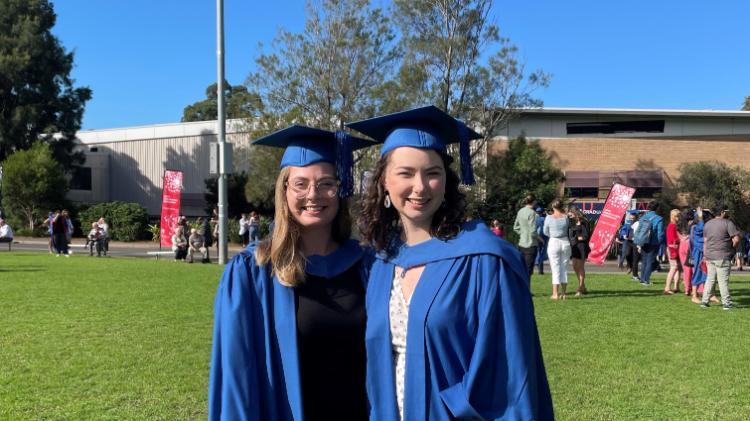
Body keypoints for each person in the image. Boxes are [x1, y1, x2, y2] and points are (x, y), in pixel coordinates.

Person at [348, 106, 553, 420]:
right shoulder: (378, 261)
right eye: (405, 173)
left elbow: (511, 373)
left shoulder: (484, 260)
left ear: (446, 182)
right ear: (384, 182)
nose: (420, 187)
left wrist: (453, 406)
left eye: (433, 173)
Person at [209, 125, 373, 420]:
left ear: (341, 190)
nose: (314, 194)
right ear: (284, 190)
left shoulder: (367, 265)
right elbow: (235, 374)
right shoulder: (252, 271)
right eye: (300, 184)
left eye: (327, 183)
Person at [700, 205, 740, 310]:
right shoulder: (728, 223)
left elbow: (705, 241)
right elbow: (736, 239)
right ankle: (726, 303)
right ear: (722, 212)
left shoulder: (707, 224)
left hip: (709, 255)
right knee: (723, 281)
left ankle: (704, 301)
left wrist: (705, 255)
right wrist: (732, 247)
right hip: (723, 255)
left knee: (710, 279)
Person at [544, 199, 570, 300]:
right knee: (564, 267)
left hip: (554, 241)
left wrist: (553, 234)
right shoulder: (565, 218)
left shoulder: (549, 218)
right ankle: (564, 293)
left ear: (553, 207)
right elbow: (567, 228)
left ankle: (555, 294)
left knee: (555, 268)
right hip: (565, 242)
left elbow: (545, 231)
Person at [636, 201, 665, 286]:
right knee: (650, 261)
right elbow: (660, 233)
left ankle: (642, 279)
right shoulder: (659, 219)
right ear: (657, 208)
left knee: (644, 261)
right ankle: (646, 280)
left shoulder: (643, 217)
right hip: (653, 242)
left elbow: (639, 230)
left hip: (643, 241)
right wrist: (660, 242)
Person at [514, 193, 540, 283]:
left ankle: (521, 289)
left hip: (521, 243)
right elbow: (533, 231)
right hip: (531, 244)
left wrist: (523, 233)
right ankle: (526, 290)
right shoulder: (532, 213)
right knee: (528, 270)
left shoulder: (520, 211)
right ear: (534, 201)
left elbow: (516, 227)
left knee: (521, 268)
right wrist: (540, 239)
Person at [567, 206, 590, 296]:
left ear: (575, 213)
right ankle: (583, 286)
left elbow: (586, 235)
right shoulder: (571, 222)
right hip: (574, 246)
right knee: (574, 266)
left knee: (580, 267)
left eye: (570, 213)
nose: (569, 214)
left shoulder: (584, 222)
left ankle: (580, 288)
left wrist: (578, 238)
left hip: (581, 246)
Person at [677, 207, 695, 297]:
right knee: (692, 268)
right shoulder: (692, 223)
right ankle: (691, 288)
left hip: (682, 245)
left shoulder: (679, 222)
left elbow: (678, 234)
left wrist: (682, 238)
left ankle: (687, 289)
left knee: (685, 269)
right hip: (690, 245)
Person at [663, 209, 682, 294]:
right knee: (674, 268)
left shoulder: (675, 225)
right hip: (673, 249)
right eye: (678, 216)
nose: (679, 218)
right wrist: (681, 239)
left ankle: (676, 287)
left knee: (678, 268)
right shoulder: (671, 226)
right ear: (674, 216)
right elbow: (672, 240)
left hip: (676, 248)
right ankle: (667, 288)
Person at [535, 207, 549, 275]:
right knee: (542, 252)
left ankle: (539, 267)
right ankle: (540, 269)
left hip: (537, 237)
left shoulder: (535, 219)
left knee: (538, 252)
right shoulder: (545, 219)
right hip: (544, 236)